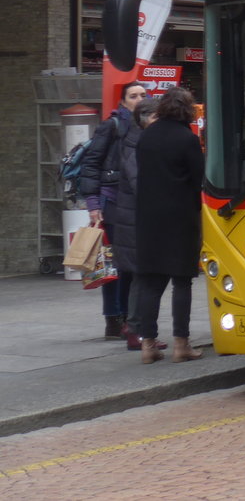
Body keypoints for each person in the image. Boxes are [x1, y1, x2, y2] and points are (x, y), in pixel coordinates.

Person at [133, 86, 204, 364]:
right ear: (187, 110)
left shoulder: (146, 137)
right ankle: (181, 344)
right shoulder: (187, 139)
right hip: (180, 217)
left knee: (151, 283)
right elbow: (198, 178)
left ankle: (148, 346)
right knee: (182, 282)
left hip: (148, 219)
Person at [76, 81, 148, 341]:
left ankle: (128, 318)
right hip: (112, 200)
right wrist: (93, 204)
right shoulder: (113, 125)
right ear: (123, 100)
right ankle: (114, 319)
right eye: (133, 95)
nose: (139, 99)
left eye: (143, 95)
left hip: (135, 202)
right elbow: (91, 163)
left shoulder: (148, 126)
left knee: (130, 263)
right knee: (114, 263)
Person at [107, 97, 164, 351]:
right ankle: (136, 329)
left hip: (139, 220)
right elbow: (141, 184)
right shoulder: (136, 144)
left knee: (146, 277)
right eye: (158, 118)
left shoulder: (140, 141)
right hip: (136, 222)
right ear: (147, 119)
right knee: (143, 277)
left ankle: (142, 330)